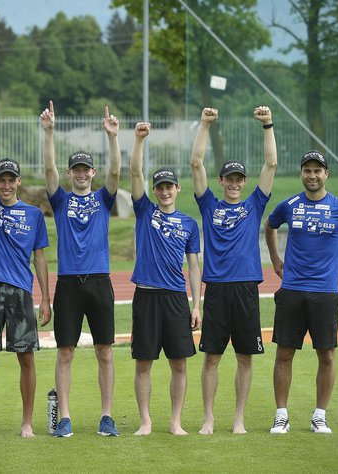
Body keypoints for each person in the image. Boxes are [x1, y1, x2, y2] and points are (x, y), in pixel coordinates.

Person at [265, 150, 338, 434]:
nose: (312, 175)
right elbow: (270, 225)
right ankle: (281, 416)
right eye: (307, 170)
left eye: (317, 170)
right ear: (301, 174)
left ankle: (319, 416)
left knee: (326, 356)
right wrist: (276, 260)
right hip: (291, 290)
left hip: (325, 294)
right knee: (284, 354)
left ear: (326, 174)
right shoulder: (289, 205)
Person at [0, 104, 52, 438]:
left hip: (20, 292)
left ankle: (27, 423)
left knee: (27, 358)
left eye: (10, 179)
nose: (4, 185)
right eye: (0, 179)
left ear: (18, 181)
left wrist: (45, 298)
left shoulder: (33, 215)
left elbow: (40, 259)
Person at [191, 106, 277, 435]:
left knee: (245, 357)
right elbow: (196, 163)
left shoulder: (253, 205)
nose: (234, 183)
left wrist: (267, 125)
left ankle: (238, 418)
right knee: (211, 358)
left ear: (244, 182)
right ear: (221, 181)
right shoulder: (209, 205)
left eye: (239, 179)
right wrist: (205, 125)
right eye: (229, 178)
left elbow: (270, 163)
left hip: (245, 290)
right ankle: (209, 418)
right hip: (216, 291)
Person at [40, 100, 122, 438]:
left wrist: (113, 138)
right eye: (76, 169)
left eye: (86, 169)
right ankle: (65, 419)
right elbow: (48, 171)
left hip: (100, 282)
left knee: (104, 350)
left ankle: (106, 417)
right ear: (71, 172)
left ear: (92, 172)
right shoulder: (60, 200)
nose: (82, 173)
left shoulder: (104, 198)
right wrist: (48, 134)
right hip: (69, 284)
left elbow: (116, 172)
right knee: (65, 351)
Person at [129, 121, 202, 436]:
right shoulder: (145, 211)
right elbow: (135, 175)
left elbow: (195, 266)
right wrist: (139, 141)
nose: (164, 191)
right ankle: (146, 421)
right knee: (143, 363)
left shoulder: (189, 223)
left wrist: (196, 305)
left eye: (169, 186)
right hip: (146, 296)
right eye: (159, 186)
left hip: (175, 299)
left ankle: (175, 422)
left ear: (177, 189)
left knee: (179, 364)